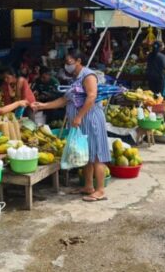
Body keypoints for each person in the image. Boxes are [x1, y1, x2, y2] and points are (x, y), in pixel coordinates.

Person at [32, 50, 110, 202]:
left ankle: (100, 190)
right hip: (81, 122)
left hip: (91, 120)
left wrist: (79, 116)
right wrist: (42, 105)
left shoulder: (88, 75)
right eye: (66, 63)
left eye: (69, 62)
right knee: (86, 155)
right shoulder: (75, 79)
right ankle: (88, 186)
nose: (67, 66)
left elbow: (92, 96)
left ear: (79, 60)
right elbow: (64, 100)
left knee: (97, 155)